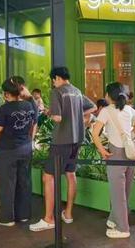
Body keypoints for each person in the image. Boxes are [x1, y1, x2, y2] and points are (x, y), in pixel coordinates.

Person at [29, 67, 95, 232]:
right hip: (77, 139)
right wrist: (76, 114)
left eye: (53, 80)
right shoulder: (77, 91)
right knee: (71, 174)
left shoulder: (56, 92)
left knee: (48, 177)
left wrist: (49, 113)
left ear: (57, 78)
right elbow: (93, 107)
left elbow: (57, 118)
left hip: (62, 140)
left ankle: (49, 219)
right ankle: (68, 214)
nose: (53, 83)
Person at [92, 82, 135, 238]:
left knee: (117, 193)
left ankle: (123, 229)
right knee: (125, 191)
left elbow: (95, 133)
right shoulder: (128, 109)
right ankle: (114, 218)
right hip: (130, 153)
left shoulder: (106, 111)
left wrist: (102, 150)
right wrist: (131, 134)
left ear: (109, 96)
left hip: (115, 154)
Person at [0, 78, 37, 226]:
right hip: (25, 147)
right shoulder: (29, 105)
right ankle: (24, 215)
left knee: (7, 184)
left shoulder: (5, 108)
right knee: (24, 181)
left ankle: (7, 218)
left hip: (8, 150)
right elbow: (34, 122)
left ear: (6, 93)